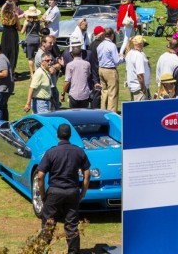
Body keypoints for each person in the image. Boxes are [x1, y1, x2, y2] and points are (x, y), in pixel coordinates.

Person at [36, 124, 90, 254]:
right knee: (72, 226)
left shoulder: (51, 152)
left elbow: (40, 176)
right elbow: (87, 173)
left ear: (57, 135)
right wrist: (83, 192)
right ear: (70, 135)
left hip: (55, 191)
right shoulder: (78, 151)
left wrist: (43, 195)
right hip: (72, 191)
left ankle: (43, 250)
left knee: (48, 224)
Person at [97, 28, 123, 112]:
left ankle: (103, 110)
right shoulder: (112, 45)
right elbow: (117, 61)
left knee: (104, 92)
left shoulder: (100, 45)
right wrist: (123, 58)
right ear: (112, 35)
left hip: (101, 69)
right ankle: (111, 113)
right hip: (110, 70)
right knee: (113, 93)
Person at [63, 43, 91, 109]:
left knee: (73, 115)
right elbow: (88, 75)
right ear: (81, 53)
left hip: (73, 94)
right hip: (85, 94)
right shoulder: (87, 64)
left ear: (72, 54)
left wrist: (63, 93)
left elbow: (67, 81)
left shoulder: (69, 65)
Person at [125, 35, 151, 101]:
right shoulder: (139, 56)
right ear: (141, 44)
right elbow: (140, 75)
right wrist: (143, 88)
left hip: (133, 86)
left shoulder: (129, 53)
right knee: (142, 110)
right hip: (139, 88)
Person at [22, 6, 43, 75]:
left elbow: (22, 32)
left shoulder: (26, 22)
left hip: (29, 41)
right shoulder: (39, 22)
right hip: (37, 40)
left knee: (30, 58)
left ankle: (31, 74)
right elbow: (41, 31)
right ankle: (37, 71)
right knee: (37, 56)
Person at [1, 0, 20, 72]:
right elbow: (19, 28)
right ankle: (12, 71)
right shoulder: (15, 16)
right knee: (13, 52)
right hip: (13, 34)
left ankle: (4, 70)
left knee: (5, 51)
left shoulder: (3, 15)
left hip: (5, 34)